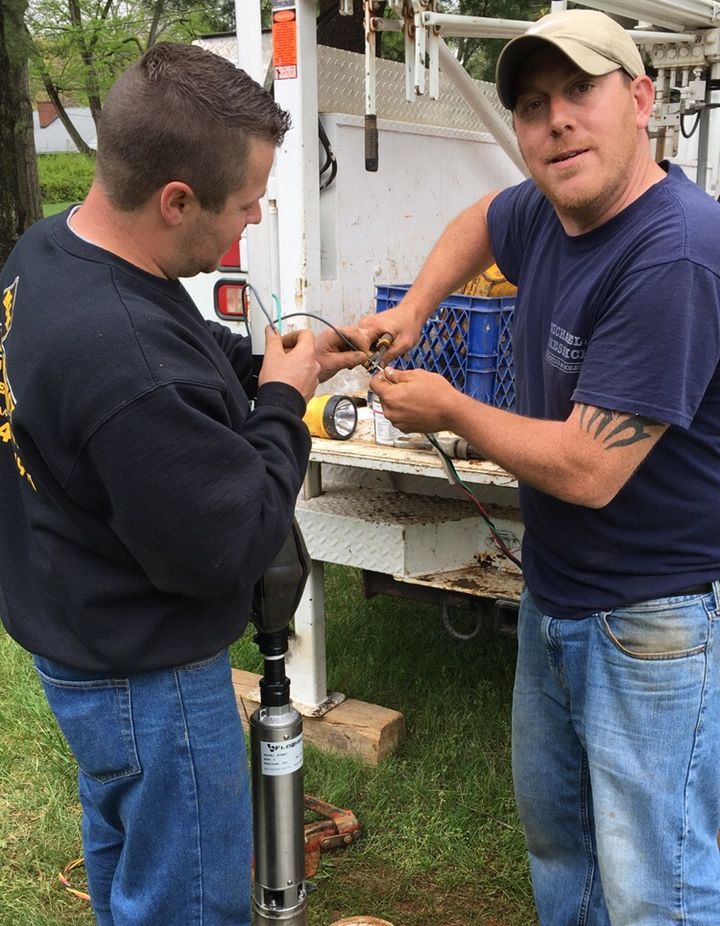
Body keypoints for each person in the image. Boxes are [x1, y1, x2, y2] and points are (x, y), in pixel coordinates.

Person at [361, 9, 720, 926]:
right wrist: (418, 307)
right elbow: (483, 218)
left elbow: (589, 469)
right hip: (557, 597)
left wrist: (449, 408)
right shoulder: (551, 208)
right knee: (563, 849)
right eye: (531, 104)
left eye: (580, 92)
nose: (555, 120)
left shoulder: (674, 250)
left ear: (641, 100)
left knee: (658, 887)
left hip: (653, 620)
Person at [0, 43, 367, 926]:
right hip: (150, 686)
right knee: (187, 906)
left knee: (138, 879)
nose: (246, 229)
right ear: (175, 201)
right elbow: (233, 541)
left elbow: (169, 355)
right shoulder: (125, 363)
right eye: (243, 210)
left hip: (84, 648)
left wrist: (260, 364)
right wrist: (282, 405)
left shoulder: (50, 254)